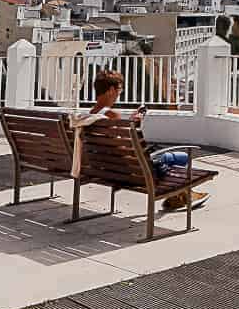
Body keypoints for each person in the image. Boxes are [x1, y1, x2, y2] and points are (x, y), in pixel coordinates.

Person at [74, 69, 206, 210]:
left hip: (107, 169)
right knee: (183, 157)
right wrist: (136, 125)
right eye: (120, 89)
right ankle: (180, 197)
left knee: (164, 157)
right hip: (131, 171)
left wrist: (131, 123)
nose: (120, 92)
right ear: (111, 89)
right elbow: (128, 150)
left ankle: (180, 196)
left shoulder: (88, 117)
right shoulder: (112, 115)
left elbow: (117, 146)